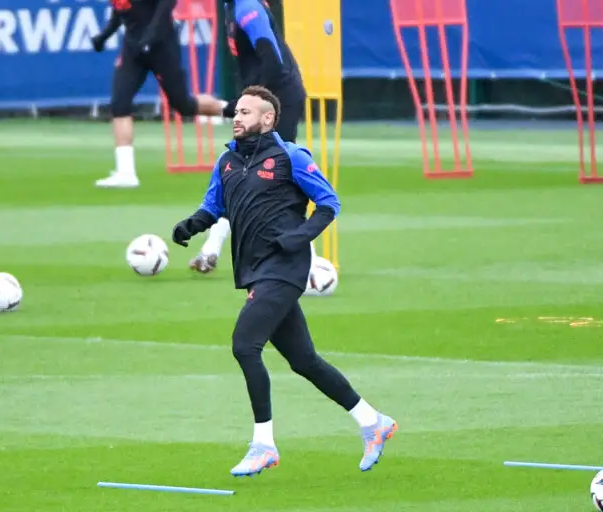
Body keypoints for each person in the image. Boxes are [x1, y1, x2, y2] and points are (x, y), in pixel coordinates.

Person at [171, 86, 397, 477]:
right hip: (254, 270)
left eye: (245, 112)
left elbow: (329, 203)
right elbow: (213, 206)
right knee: (304, 360)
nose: (237, 117)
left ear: (268, 118)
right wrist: (190, 225)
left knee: (245, 345)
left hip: (285, 268)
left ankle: (264, 444)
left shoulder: (290, 156)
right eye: (236, 111)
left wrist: (298, 238)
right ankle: (372, 421)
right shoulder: (226, 161)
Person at [188, 0, 314, 275]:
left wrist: (246, 105)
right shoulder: (232, 8)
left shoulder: (247, 7)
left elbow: (273, 62)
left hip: (278, 103)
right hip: (264, 102)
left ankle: (309, 262)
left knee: (276, 181)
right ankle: (211, 248)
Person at [90, 0, 227, 188]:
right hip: (133, 47)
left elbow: (167, 4)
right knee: (119, 104)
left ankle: (234, 110)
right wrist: (104, 36)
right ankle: (126, 172)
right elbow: (121, 10)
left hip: (162, 45)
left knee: (183, 105)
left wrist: (150, 36)